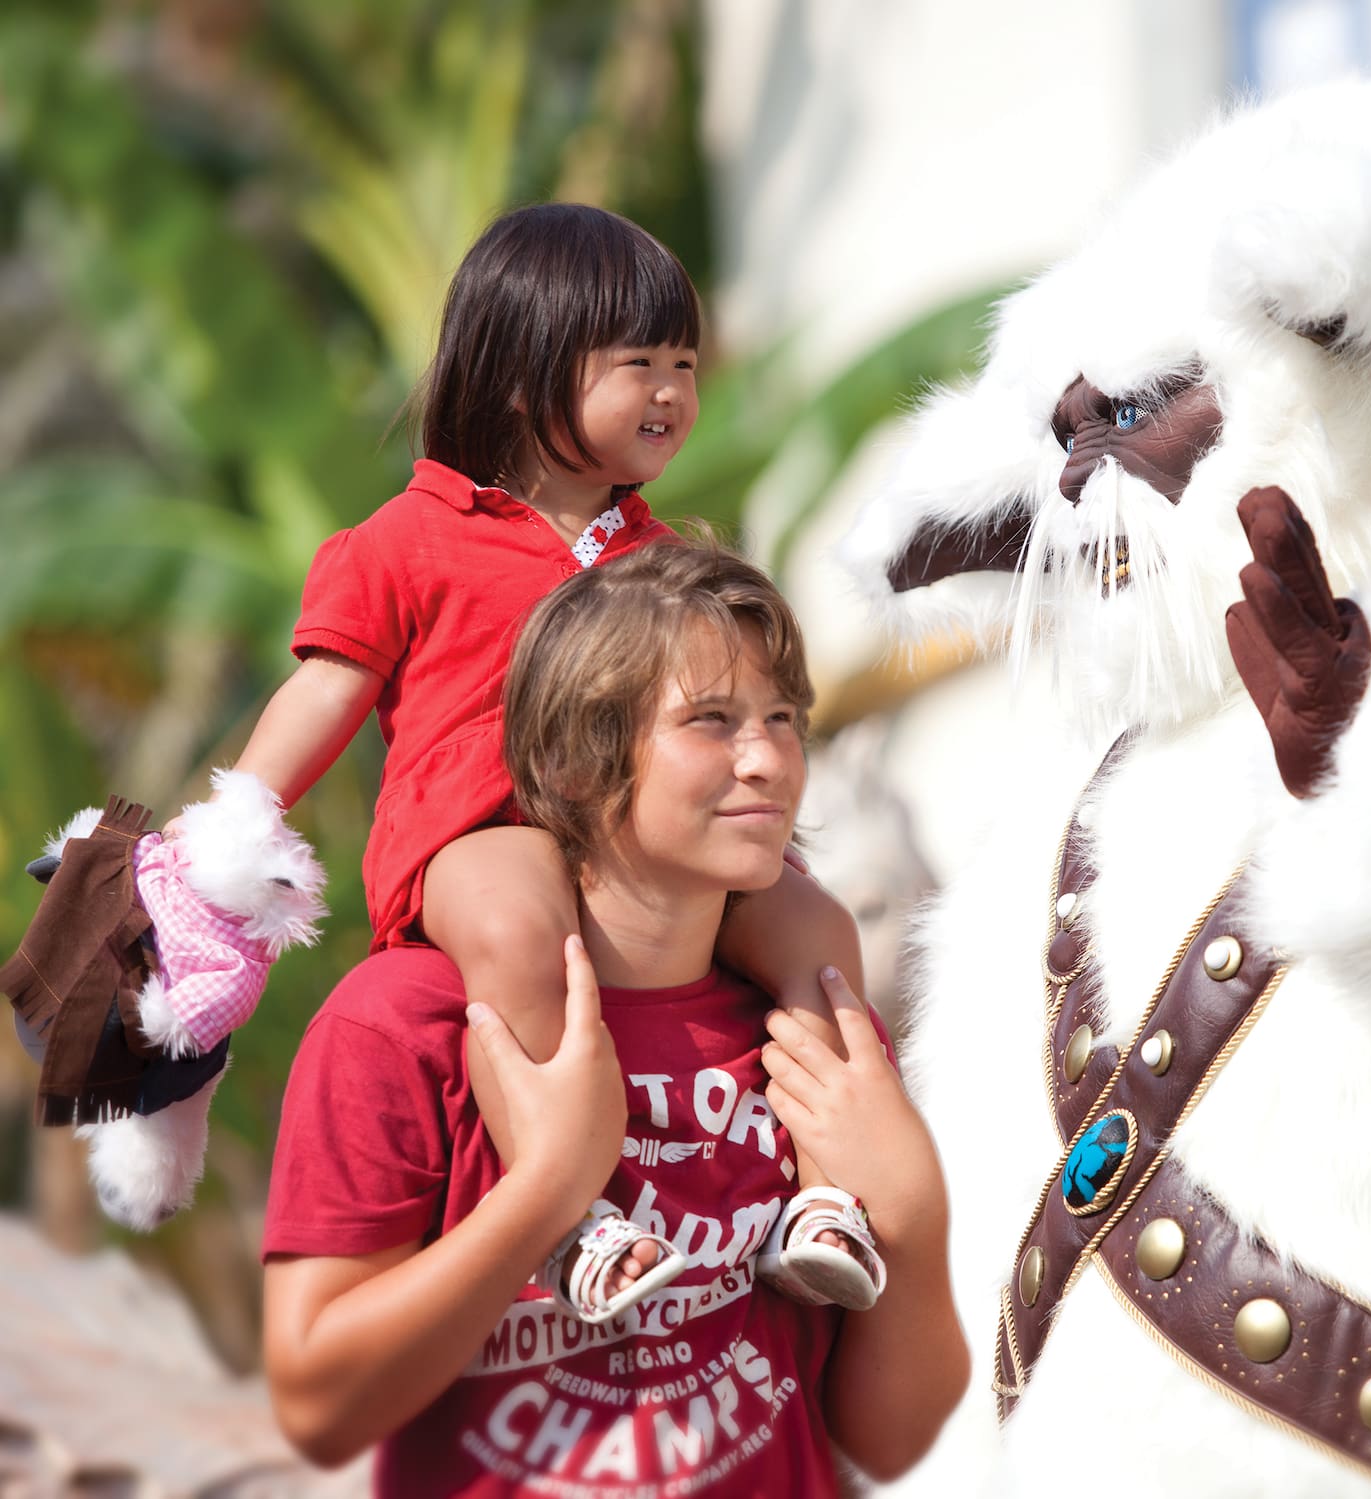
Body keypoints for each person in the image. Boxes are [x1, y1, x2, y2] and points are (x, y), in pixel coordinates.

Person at [179, 201, 879, 1315]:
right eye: (637, 362)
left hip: (643, 840)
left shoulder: (664, 557)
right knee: (516, 924)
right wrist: (235, 822)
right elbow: (325, 687)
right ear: (520, 375)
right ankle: (569, 1216)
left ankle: (829, 1195)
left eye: (686, 363)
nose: (671, 391)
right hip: (478, 830)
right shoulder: (405, 540)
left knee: (815, 929)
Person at [261, 540, 970, 1491]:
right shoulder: (404, 1027)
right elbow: (317, 1403)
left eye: (781, 717)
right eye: (710, 721)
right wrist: (546, 1189)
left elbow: (887, 1440)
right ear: (581, 762)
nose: (765, 757)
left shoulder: (805, 1026)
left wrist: (913, 1219)